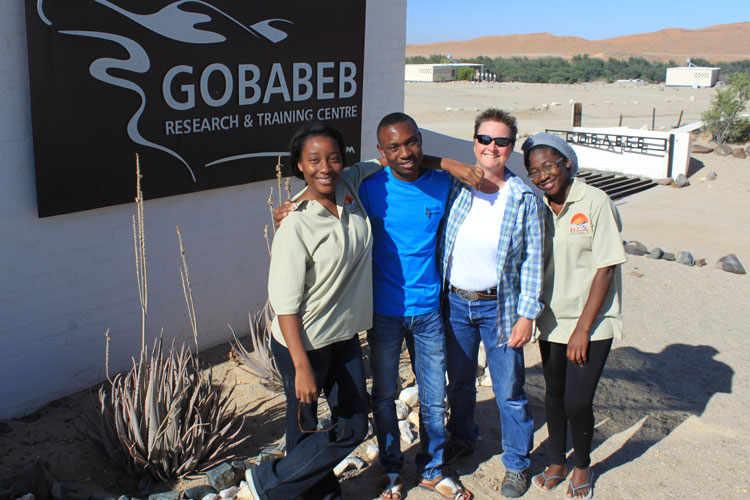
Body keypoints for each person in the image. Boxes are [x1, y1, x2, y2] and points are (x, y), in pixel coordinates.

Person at [275, 113, 479, 500]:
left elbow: (408, 161)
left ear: (420, 139)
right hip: (379, 316)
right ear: (380, 151)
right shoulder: (366, 188)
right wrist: (288, 209)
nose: (405, 152)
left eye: (411, 142)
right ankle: (389, 469)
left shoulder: (437, 184)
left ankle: (432, 469)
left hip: (426, 314)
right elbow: (324, 189)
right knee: (382, 397)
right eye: (393, 146)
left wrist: (447, 161)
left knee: (433, 397)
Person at [247, 122, 381, 500]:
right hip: (301, 342)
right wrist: (302, 365)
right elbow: (285, 306)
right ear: (300, 166)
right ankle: (318, 495)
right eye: (314, 160)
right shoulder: (295, 223)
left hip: (344, 336)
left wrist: (451, 164)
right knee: (303, 427)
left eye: (333, 158)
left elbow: (393, 156)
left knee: (354, 425)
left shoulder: (350, 187)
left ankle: (268, 483)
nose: (326, 167)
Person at [437, 109, 544, 498]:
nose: (491, 147)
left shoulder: (523, 199)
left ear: (511, 148)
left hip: (499, 308)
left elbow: (534, 260)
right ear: (474, 143)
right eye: (485, 139)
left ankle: (517, 463)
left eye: (500, 141)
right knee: (460, 383)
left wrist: (527, 314)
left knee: (509, 389)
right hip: (455, 304)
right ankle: (463, 438)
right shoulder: (458, 187)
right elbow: (408, 164)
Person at [521, 133, 626, 500]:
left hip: (591, 322)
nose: (542, 175)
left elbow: (606, 268)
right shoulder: (540, 208)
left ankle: (582, 463)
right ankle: (556, 460)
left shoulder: (595, 202)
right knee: (553, 394)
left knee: (577, 402)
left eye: (549, 165)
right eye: (534, 171)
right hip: (553, 319)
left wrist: (582, 329)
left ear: (567, 162)